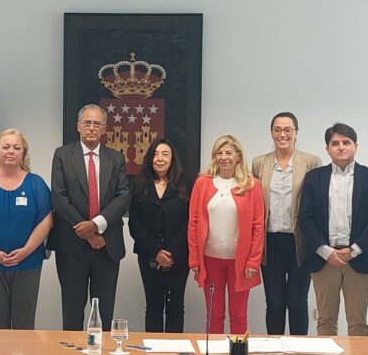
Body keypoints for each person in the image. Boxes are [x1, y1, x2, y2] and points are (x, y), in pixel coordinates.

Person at [298, 123, 368, 336]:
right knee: (325, 321)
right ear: (327, 148)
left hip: (360, 257)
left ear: (356, 146)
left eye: (346, 142)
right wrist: (326, 251)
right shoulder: (314, 178)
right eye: (335, 143)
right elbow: (305, 218)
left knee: (358, 323)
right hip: (324, 259)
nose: (340, 147)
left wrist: (354, 250)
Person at [48, 104, 130, 331]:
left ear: (104, 128)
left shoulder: (116, 158)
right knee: (72, 312)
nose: (91, 128)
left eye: (96, 124)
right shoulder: (62, 155)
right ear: (78, 126)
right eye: (87, 123)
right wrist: (86, 233)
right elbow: (59, 198)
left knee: (104, 312)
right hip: (71, 246)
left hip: (107, 246)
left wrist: (96, 226)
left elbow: (123, 196)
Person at [0, 128, 53, 329]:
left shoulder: (36, 184)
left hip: (28, 262)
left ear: (23, 153)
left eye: (16, 147)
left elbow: (47, 220)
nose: (11, 151)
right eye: (5, 147)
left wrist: (25, 251)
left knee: (24, 322)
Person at [252, 112, 321, 335]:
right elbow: (253, 203)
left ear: (296, 133)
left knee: (298, 301)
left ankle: (299, 349)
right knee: (274, 301)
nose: (283, 134)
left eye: (288, 130)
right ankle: (274, 348)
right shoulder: (259, 163)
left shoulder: (311, 162)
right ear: (271, 133)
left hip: (300, 240)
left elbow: (318, 204)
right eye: (278, 130)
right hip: (269, 241)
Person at [188, 134, 264, 334]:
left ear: (238, 156)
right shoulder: (202, 183)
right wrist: (195, 260)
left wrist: (253, 261)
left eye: (229, 152)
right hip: (210, 259)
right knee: (214, 314)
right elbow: (194, 223)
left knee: (239, 316)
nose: (224, 157)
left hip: (240, 261)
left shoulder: (251, 185)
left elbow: (258, 226)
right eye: (219, 153)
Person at [129, 138, 189, 332]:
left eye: (165, 154)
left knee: (175, 307)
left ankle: (174, 352)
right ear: (149, 158)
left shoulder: (186, 184)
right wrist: (156, 252)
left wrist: (171, 252)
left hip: (178, 256)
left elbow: (191, 222)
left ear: (172, 159)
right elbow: (135, 224)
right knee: (153, 306)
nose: (160, 159)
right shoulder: (139, 184)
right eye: (155, 154)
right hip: (149, 256)